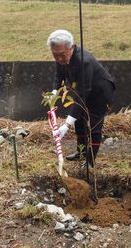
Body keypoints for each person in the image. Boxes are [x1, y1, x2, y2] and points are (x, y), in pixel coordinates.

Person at [47, 29, 115, 167]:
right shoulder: (61, 57)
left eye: (61, 55)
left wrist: (66, 125)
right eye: (55, 55)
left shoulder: (84, 61)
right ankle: (81, 152)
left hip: (100, 92)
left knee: (93, 125)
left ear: (71, 47)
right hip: (83, 90)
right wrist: (54, 92)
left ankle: (90, 161)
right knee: (79, 121)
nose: (59, 59)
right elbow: (59, 75)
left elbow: (83, 95)